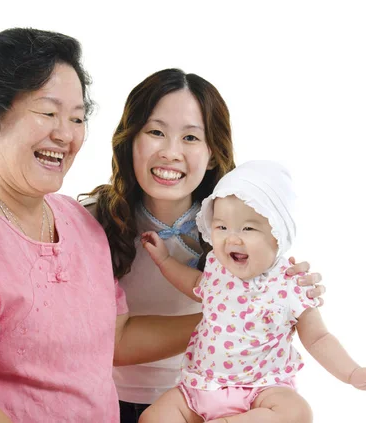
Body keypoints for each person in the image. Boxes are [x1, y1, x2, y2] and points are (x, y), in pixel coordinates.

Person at [0, 28, 216, 423]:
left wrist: (227, 320)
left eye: (77, 117)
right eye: (48, 112)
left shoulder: (78, 222)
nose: (66, 133)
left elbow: (116, 338)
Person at [81, 69, 327, 422]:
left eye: (191, 138)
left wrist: (288, 298)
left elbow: (286, 298)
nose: (171, 152)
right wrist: (240, 319)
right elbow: (108, 342)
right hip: (104, 403)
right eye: (155, 132)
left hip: (209, 402)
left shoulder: (236, 229)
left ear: (213, 154)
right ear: (130, 140)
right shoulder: (90, 222)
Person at [137, 160, 366, 423]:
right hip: (200, 387)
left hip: (262, 391)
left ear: (278, 234)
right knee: (153, 417)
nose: (232, 238)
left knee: (297, 412)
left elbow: (319, 338)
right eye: (221, 227)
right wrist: (165, 261)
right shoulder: (217, 270)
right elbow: (193, 283)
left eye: (248, 228)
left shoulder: (291, 284)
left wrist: (352, 373)